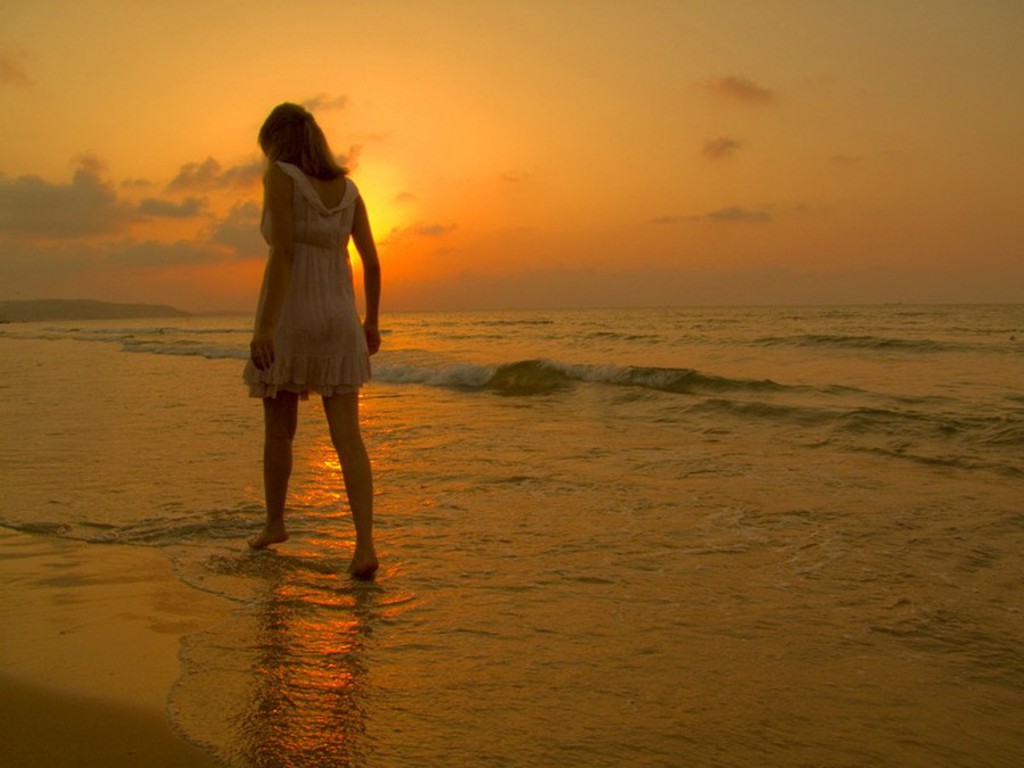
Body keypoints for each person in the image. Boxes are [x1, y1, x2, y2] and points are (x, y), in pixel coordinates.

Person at [243, 102, 381, 579]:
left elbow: (283, 252)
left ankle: (275, 523)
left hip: (293, 315)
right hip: (341, 318)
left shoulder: (281, 177)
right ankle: (364, 546)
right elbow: (373, 262)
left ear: (276, 142)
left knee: (280, 428)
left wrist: (264, 328)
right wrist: (371, 322)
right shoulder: (349, 189)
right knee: (349, 437)